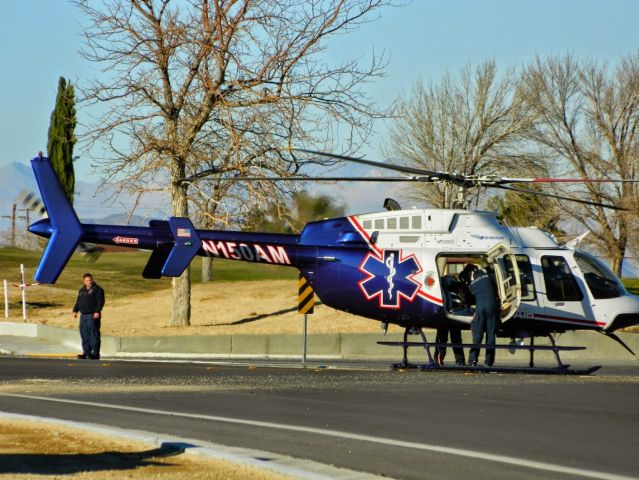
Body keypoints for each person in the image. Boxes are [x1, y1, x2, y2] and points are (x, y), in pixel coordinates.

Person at [465, 264, 499, 367]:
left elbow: (470, 299)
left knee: (477, 334)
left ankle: (473, 361)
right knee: (490, 335)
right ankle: (488, 362)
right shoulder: (490, 276)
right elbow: (498, 290)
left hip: (480, 308)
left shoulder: (472, 285)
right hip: (492, 306)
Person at [72, 273, 105, 360]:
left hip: (92, 314)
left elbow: (100, 301)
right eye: (87, 280)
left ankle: (95, 353)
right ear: (84, 281)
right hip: (83, 315)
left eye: (90, 280)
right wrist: (75, 310)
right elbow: (78, 301)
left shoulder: (97, 289)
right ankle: (86, 353)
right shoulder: (82, 290)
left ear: (92, 280)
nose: (89, 282)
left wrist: (97, 311)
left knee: (93, 334)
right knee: (84, 334)